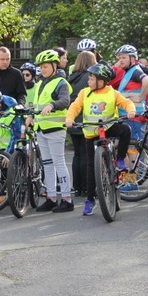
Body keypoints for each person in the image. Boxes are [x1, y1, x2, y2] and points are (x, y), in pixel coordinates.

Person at [65, 62, 136, 216]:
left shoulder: (112, 93)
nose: (88, 82)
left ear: (101, 81)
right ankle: (90, 200)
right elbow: (75, 106)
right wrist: (69, 119)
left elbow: (127, 102)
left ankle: (120, 159)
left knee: (125, 130)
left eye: (91, 79)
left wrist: (131, 110)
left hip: (109, 128)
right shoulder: (85, 93)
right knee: (91, 167)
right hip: (91, 132)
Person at [29, 50, 73, 212]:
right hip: (40, 129)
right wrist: (30, 116)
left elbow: (65, 100)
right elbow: (36, 105)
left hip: (55, 129)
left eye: (46, 66)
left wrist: (53, 105)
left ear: (55, 66)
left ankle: (67, 199)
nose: (43, 69)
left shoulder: (60, 82)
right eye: (41, 67)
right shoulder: (40, 83)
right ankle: (51, 197)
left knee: (59, 163)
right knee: (47, 164)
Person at [112, 44, 148, 191]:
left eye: (123, 58)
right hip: (127, 116)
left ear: (132, 58)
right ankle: (128, 179)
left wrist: (141, 97)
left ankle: (132, 181)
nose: (120, 60)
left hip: (133, 117)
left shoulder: (135, 71)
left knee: (131, 149)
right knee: (125, 148)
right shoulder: (128, 72)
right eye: (119, 58)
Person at [67, 50, 96, 197]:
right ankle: (86, 186)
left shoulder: (71, 77)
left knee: (77, 154)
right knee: (86, 155)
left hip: (72, 119)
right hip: (85, 120)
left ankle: (76, 186)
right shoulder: (89, 78)